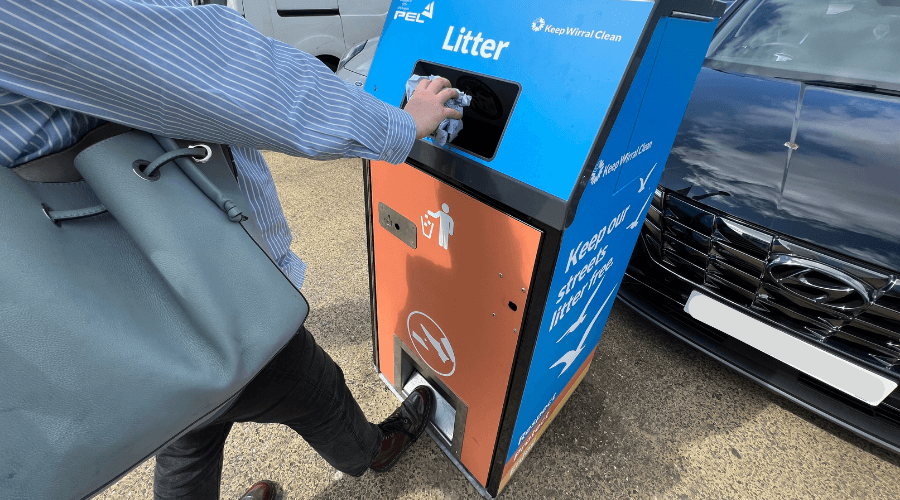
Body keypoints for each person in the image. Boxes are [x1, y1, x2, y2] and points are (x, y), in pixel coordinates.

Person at [0, 1, 462, 499]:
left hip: (98, 277)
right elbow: (221, 69)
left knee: (187, 417)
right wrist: (398, 122)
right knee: (309, 383)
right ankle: (372, 450)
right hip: (180, 264)